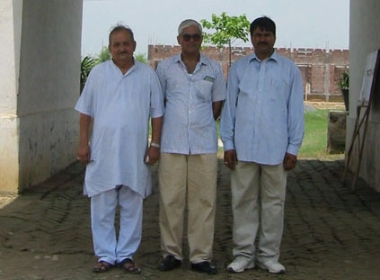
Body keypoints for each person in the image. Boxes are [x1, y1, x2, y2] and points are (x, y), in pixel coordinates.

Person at [75, 24, 164, 274]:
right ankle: (104, 255)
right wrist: (83, 142)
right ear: (110, 48)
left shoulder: (147, 75)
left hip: (134, 153)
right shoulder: (98, 73)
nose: (122, 49)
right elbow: (85, 111)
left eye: (126, 44)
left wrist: (155, 144)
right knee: (101, 204)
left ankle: (125, 254)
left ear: (134, 46)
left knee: (132, 203)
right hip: (102, 151)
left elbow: (157, 114)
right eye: (117, 45)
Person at [220, 16, 304, 274]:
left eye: (267, 34)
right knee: (243, 202)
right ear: (251, 37)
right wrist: (229, 143)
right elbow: (229, 109)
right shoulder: (239, 69)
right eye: (258, 34)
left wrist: (293, 148)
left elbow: (295, 112)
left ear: (274, 38)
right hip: (243, 149)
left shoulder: (289, 70)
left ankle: (269, 256)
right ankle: (243, 254)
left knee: (273, 204)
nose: (262, 38)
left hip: (276, 150)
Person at [155, 19, 226, 275]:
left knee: (204, 202)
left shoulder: (214, 68)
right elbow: (158, 105)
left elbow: (217, 104)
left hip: (203, 144)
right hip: (171, 144)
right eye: (187, 37)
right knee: (171, 201)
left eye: (196, 36)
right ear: (179, 40)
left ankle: (200, 256)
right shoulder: (164, 69)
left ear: (201, 39)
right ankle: (171, 253)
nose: (192, 41)